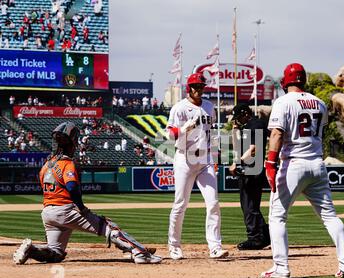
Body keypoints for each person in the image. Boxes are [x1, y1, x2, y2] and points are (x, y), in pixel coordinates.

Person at [13, 121, 161, 265]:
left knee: (55, 253)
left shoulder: (46, 166)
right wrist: (82, 208)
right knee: (108, 226)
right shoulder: (67, 164)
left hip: (47, 212)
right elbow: (71, 187)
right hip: (65, 210)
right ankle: (141, 254)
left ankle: (31, 251)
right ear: (72, 143)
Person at [261, 63, 344, 278]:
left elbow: (276, 134)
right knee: (330, 216)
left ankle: (281, 268)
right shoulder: (320, 103)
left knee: (277, 217)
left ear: (286, 81)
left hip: (293, 164)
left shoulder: (283, 102)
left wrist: (269, 164)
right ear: (304, 80)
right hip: (317, 164)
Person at [166, 72, 228, 260]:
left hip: (205, 159)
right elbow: (168, 135)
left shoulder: (209, 106)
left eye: (201, 86)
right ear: (189, 88)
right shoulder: (179, 108)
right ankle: (174, 245)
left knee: (213, 203)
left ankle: (215, 247)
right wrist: (184, 129)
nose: (199, 90)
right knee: (180, 204)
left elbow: (211, 133)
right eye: (196, 86)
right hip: (185, 158)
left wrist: (214, 155)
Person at [229, 104, 270, 250]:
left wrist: (237, 162)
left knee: (249, 206)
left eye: (238, 117)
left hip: (253, 169)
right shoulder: (247, 127)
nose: (237, 120)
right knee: (250, 205)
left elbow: (254, 149)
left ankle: (256, 238)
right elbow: (237, 148)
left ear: (245, 113)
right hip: (249, 169)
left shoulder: (255, 124)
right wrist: (235, 130)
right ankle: (265, 234)